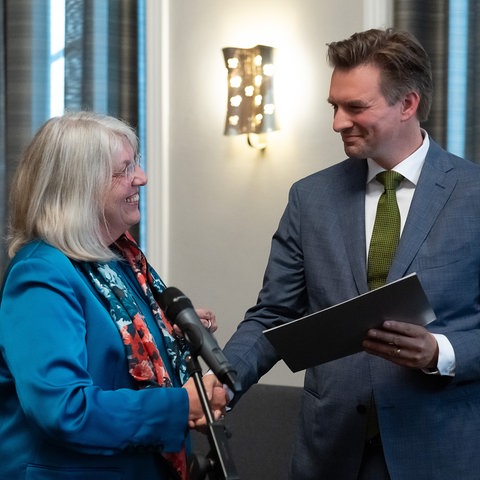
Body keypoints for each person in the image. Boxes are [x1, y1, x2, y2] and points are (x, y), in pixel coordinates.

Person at [222, 28, 480, 480]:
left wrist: (441, 350)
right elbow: (273, 315)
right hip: (330, 454)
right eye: (334, 106)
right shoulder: (310, 197)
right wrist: (221, 384)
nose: (338, 122)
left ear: (408, 104)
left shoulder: (474, 194)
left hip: (442, 453)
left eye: (355, 107)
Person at [0, 111, 227, 480]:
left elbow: (124, 355)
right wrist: (182, 405)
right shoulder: (40, 273)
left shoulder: (120, 261)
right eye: (124, 170)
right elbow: (63, 409)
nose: (142, 177)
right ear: (79, 186)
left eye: (134, 163)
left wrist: (167, 333)